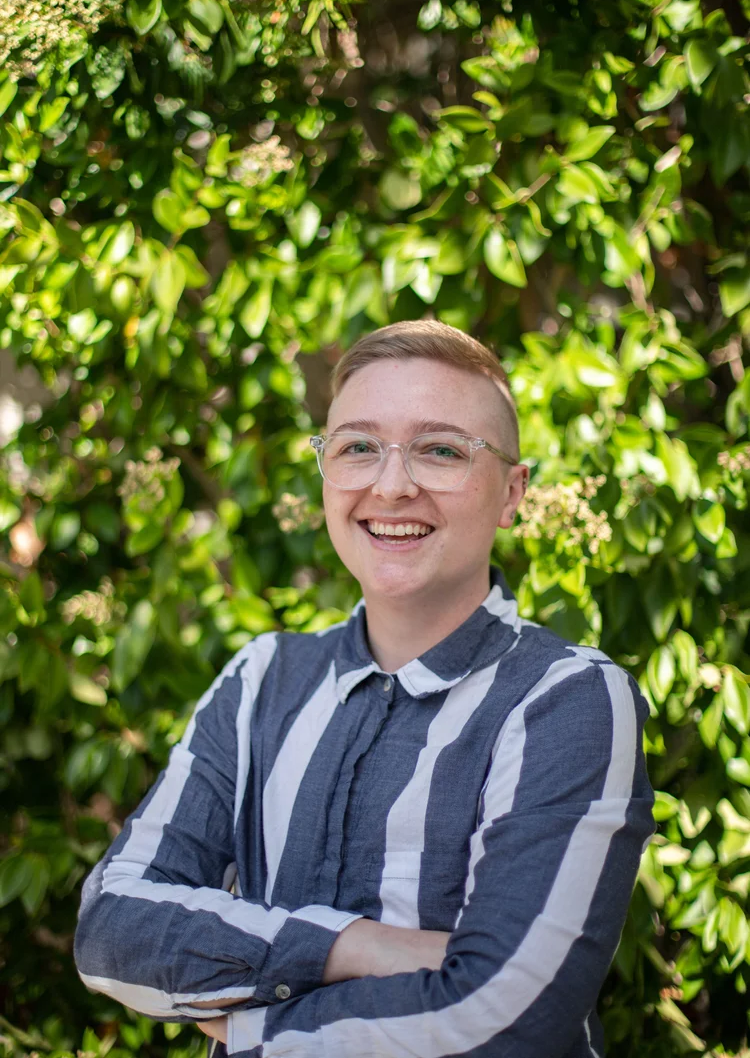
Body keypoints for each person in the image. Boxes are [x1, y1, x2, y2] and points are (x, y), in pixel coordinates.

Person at [74, 320, 654, 1058]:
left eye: (441, 449)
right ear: (325, 472)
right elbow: (111, 926)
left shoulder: (567, 698)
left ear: (512, 493)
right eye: (357, 447)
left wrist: (252, 1029)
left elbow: (511, 1019)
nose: (391, 484)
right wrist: (357, 945)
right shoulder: (261, 679)